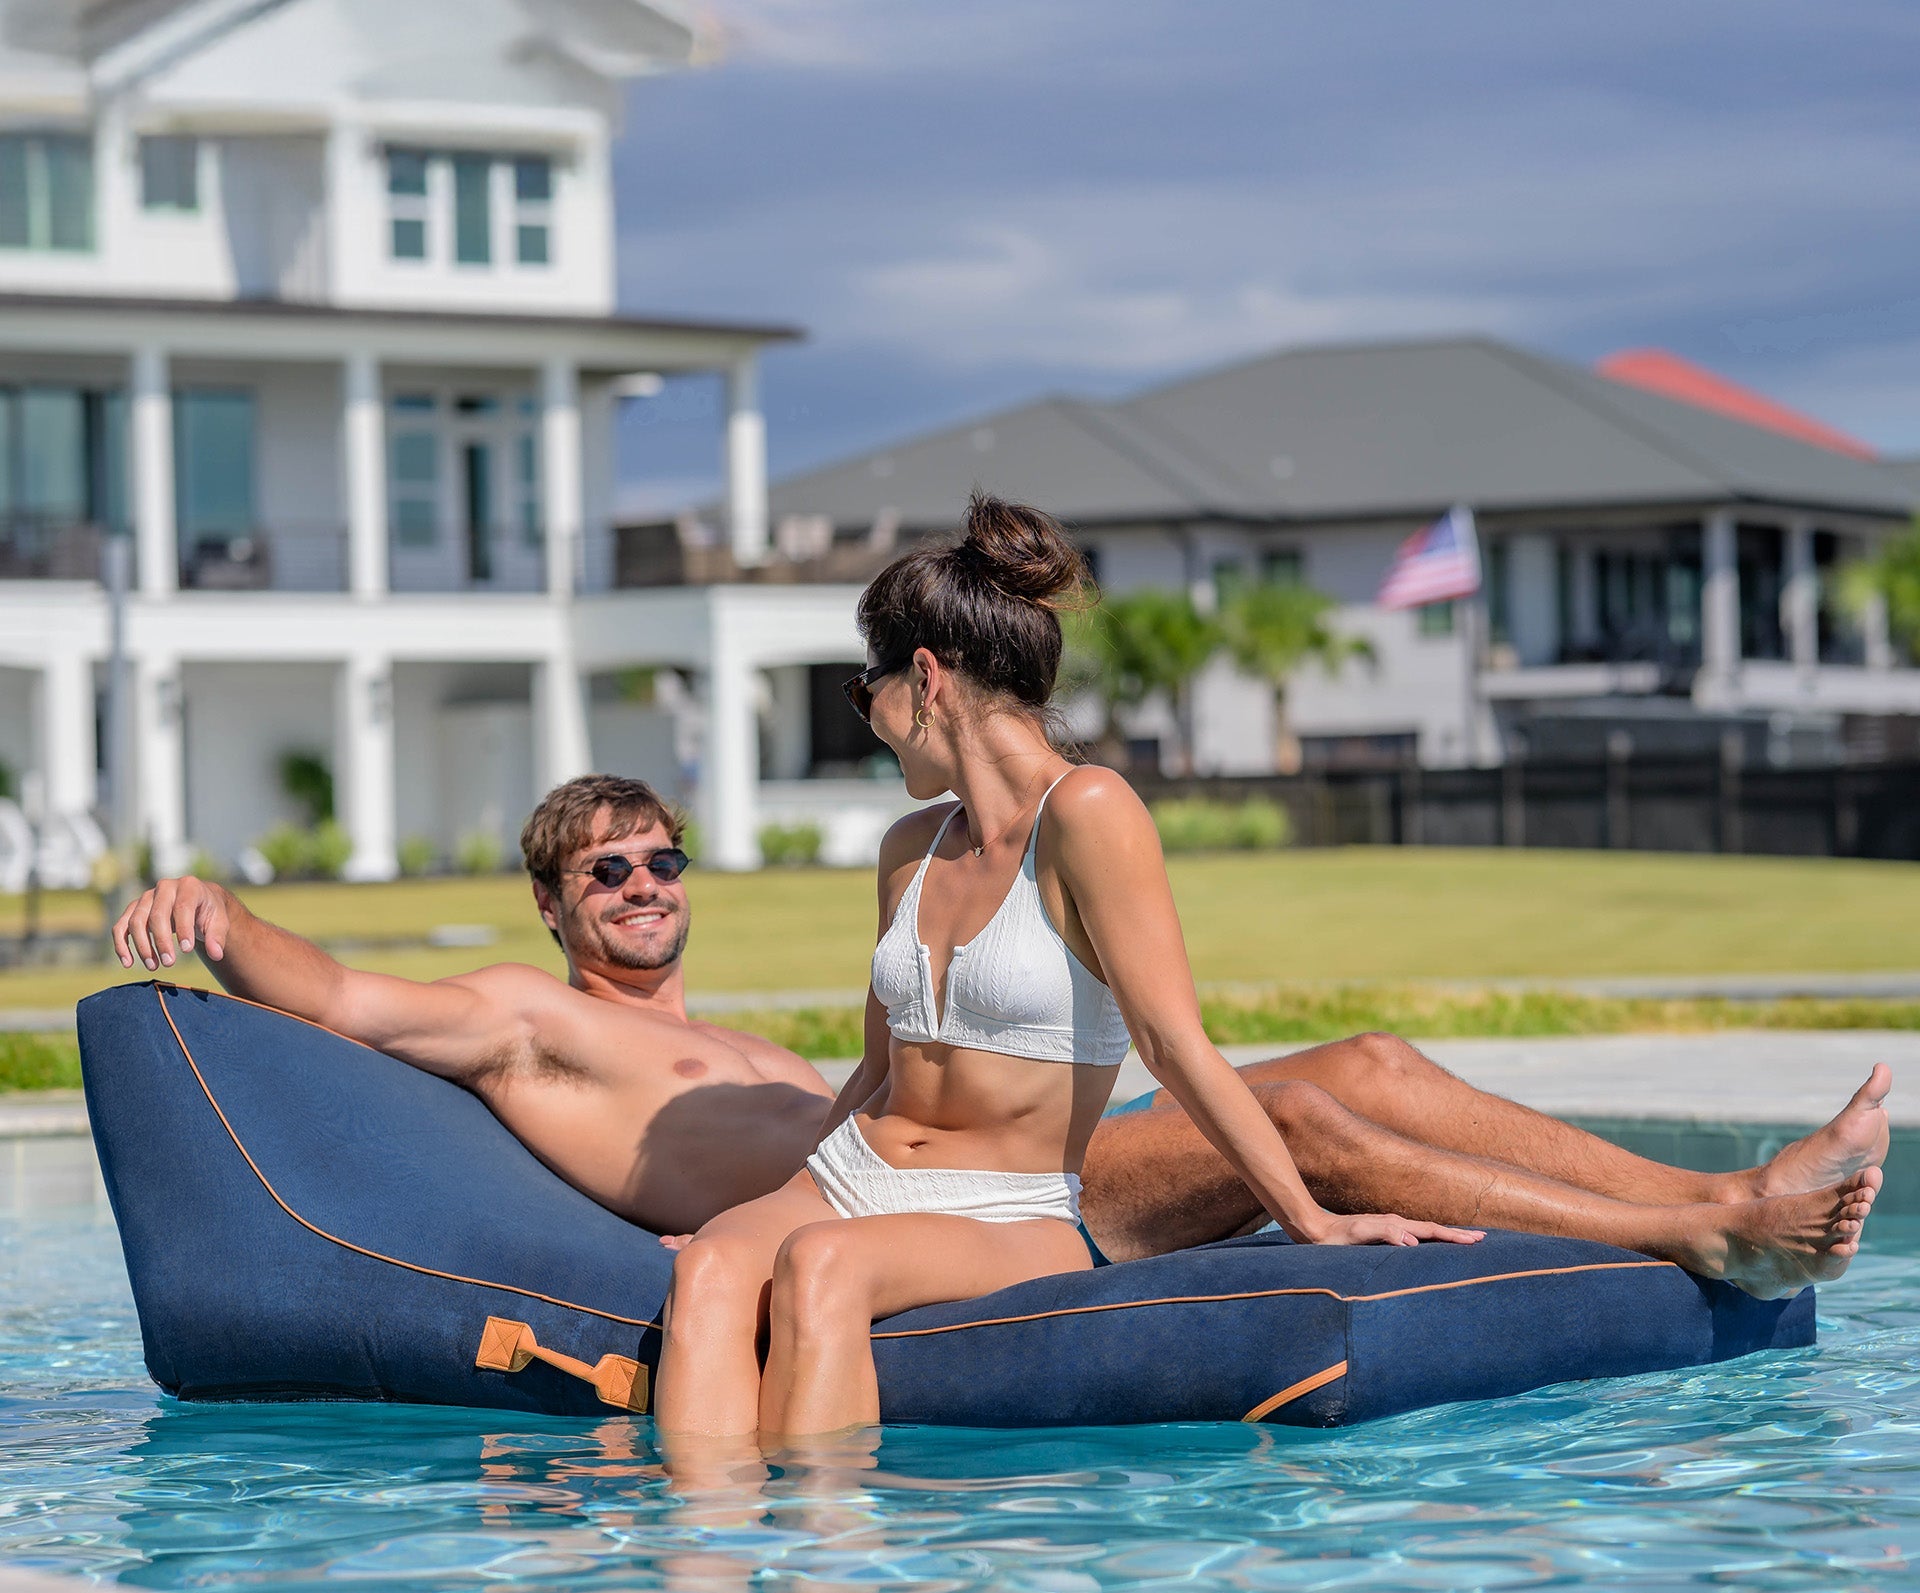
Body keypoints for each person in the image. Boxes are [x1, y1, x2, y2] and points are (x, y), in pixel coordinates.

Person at [651, 496, 1879, 1439]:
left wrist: (1309, 1220)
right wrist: (760, 1204)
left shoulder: (1092, 814)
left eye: (865, 690)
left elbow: (1176, 1048)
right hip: (859, 1174)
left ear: (924, 680)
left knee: (819, 1269)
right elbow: (876, 1070)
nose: (862, 719)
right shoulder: (909, 845)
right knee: (717, 1266)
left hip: (1001, 1205)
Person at [112, 775, 1886, 1318]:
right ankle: (1705, 1221)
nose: (645, 885)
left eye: (660, 859)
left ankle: (1717, 1190)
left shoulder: (731, 1029)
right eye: (607, 871)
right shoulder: (526, 1016)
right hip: (945, 1223)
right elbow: (344, 1003)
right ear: (557, 903)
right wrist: (214, 909)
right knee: (1331, 1114)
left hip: (980, 1177)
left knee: (1368, 1060)